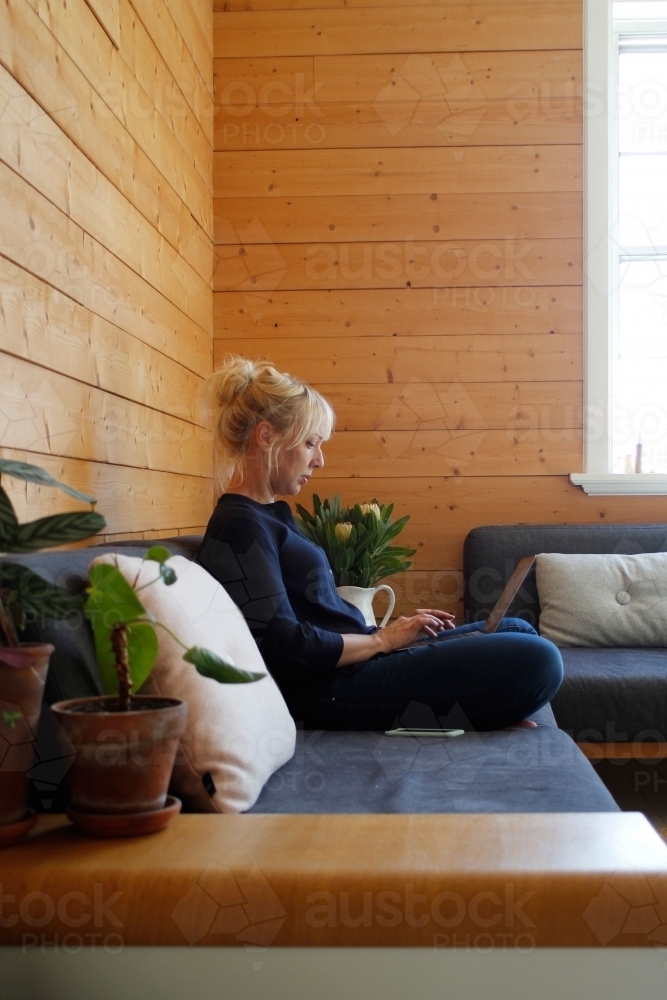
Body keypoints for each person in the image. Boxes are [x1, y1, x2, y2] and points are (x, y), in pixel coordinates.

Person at [197, 356, 563, 732]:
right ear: (266, 436)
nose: (319, 460)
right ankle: (488, 710)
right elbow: (284, 645)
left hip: (359, 662)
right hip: (330, 690)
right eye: (310, 444)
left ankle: (488, 708)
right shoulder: (239, 524)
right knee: (540, 659)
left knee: (518, 630)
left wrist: (391, 635)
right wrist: (384, 641)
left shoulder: (269, 515)